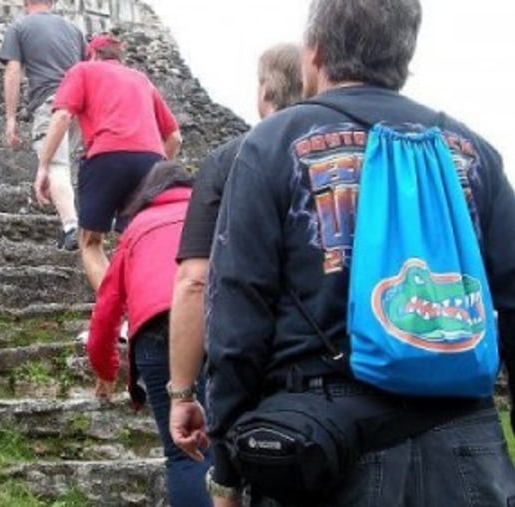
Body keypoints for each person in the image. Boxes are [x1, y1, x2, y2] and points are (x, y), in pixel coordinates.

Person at [170, 0, 515, 506]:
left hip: (322, 447)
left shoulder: (270, 145)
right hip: (466, 443)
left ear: (315, 51)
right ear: (406, 50)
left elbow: (238, 317)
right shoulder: (473, 152)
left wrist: (229, 461)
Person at [166, 43, 303, 501]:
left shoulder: (231, 158)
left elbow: (195, 280)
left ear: (265, 91)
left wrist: (182, 393)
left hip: (258, 374)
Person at [85, 161, 213, 507]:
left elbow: (106, 311)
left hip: (157, 335)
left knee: (185, 452)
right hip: (217, 320)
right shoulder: (214, 212)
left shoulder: (137, 228)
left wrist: (105, 370)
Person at [39, 34, 182, 291]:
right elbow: (175, 137)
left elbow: (61, 117)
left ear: (93, 54)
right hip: (151, 161)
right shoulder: (141, 80)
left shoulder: (83, 70)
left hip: (106, 156)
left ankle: (119, 313)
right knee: (139, 240)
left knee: (91, 242)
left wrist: (43, 167)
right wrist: (157, 172)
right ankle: (146, 309)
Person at [0, 0, 85, 250]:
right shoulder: (74, 30)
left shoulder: (19, 27)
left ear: (26, 2)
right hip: (81, 105)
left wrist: (11, 118)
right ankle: (74, 222)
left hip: (52, 102)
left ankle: (71, 227)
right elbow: (88, 68)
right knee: (65, 166)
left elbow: (13, 72)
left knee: (55, 165)